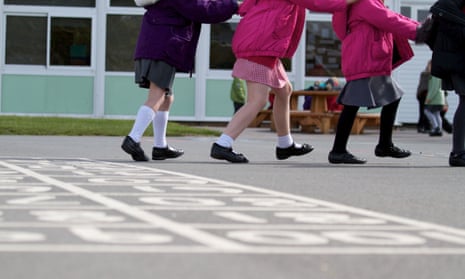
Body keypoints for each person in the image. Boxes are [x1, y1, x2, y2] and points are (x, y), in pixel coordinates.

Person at [209, 0, 357, 163]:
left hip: (259, 42)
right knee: (257, 100)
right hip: (260, 44)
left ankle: (285, 144)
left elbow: (246, 7)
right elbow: (318, 3)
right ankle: (222, 144)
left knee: (284, 90)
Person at [121, 0, 239, 161]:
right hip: (164, 47)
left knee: (167, 97)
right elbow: (202, 10)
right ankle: (133, 138)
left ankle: (160, 146)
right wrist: (234, 6)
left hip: (153, 46)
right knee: (157, 95)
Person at [328, 0, 420, 164]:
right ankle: (339, 151)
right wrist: (421, 31)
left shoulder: (367, 3)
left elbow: (393, 17)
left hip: (367, 60)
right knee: (351, 105)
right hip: (365, 60)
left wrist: (421, 27)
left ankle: (384, 145)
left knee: (392, 97)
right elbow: (389, 20)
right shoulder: (366, 3)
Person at [425, 0, 465, 166]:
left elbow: (430, 37)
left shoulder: (445, 8)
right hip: (459, 61)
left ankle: (458, 151)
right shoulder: (449, 9)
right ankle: (458, 152)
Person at [416, 61, 432, 133]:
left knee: (426, 111)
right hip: (423, 94)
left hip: (428, 94)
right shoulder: (424, 74)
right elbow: (421, 84)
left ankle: (426, 126)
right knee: (423, 111)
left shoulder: (431, 75)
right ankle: (422, 126)